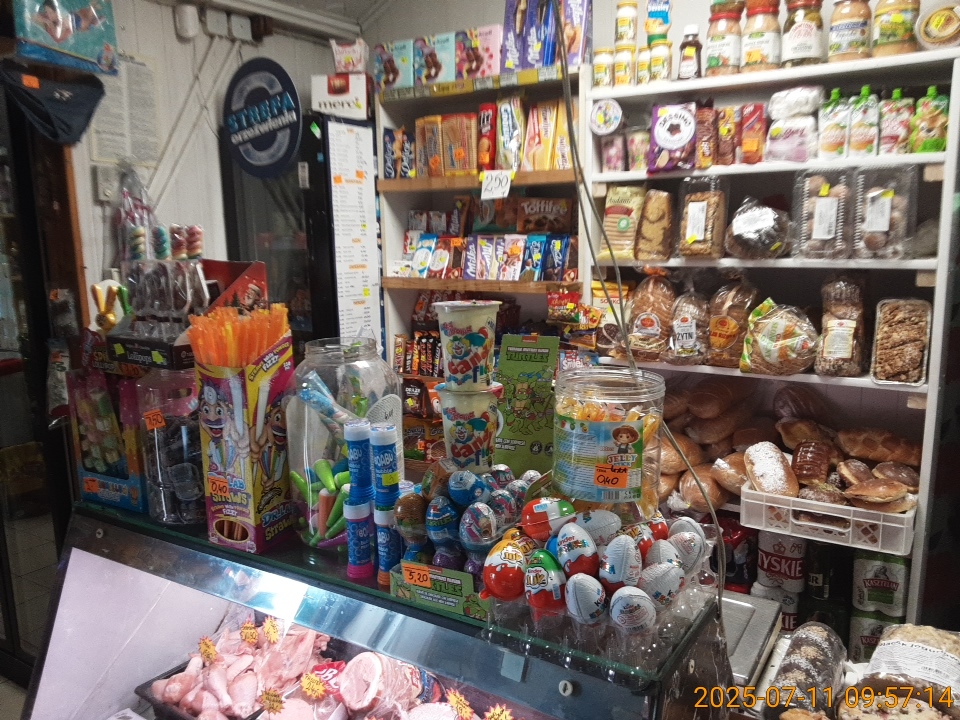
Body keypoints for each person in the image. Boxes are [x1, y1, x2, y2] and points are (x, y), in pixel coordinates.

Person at [33, 0, 105, 44]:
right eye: (46, 11)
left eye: (50, 12)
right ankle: (94, 7)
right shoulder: (58, 15)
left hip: (80, 22)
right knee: (88, 11)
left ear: (56, 13)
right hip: (74, 15)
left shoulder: (62, 22)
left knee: (88, 25)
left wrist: (48, 22)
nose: (47, 14)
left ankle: (94, 10)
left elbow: (57, 35)